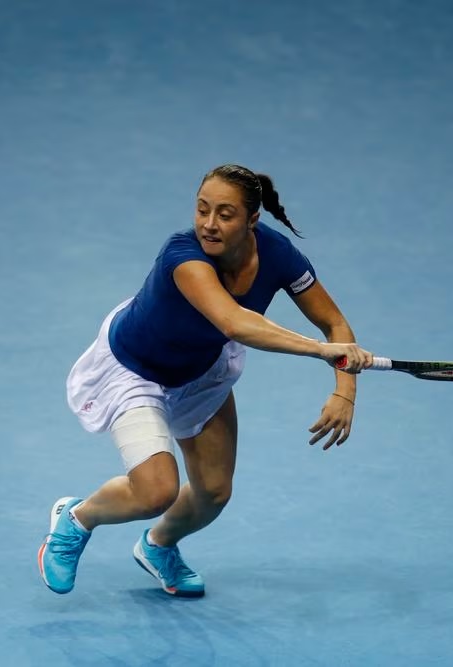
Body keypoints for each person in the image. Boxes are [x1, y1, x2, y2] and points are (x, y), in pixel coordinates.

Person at [37, 164, 372, 597]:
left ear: (252, 220)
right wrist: (318, 350)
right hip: (136, 369)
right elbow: (235, 323)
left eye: (225, 214)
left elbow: (335, 324)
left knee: (213, 492)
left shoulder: (278, 254)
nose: (209, 224)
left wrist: (345, 392)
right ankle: (77, 518)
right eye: (202, 209)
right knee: (156, 492)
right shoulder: (183, 255)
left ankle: (158, 546)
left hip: (200, 369)